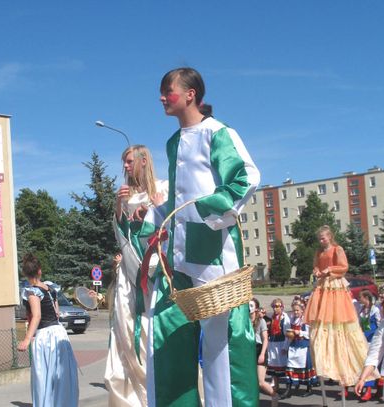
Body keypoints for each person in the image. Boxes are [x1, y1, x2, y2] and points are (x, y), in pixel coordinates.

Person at [146, 67, 260, 407]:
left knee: (222, 346)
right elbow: (177, 200)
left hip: (214, 254)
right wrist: (151, 215)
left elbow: (246, 177)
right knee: (166, 333)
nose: (162, 97)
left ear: (190, 94)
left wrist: (206, 211)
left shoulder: (218, 133)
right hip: (178, 257)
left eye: (168, 91)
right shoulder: (173, 143)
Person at [105, 145, 167, 407]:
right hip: (129, 278)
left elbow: (169, 227)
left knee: (154, 331)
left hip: (155, 273)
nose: (125, 167)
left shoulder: (162, 188)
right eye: (124, 162)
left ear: (144, 161)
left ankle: (160, 393)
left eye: (130, 161)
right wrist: (119, 205)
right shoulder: (125, 195)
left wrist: (150, 212)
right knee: (126, 333)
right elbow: (120, 234)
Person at [304, 225, 372, 388]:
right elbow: (316, 265)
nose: (321, 241)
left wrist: (329, 269)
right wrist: (317, 271)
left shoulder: (337, 249)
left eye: (323, 238)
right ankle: (325, 358)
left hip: (334, 284)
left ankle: (348, 363)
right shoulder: (318, 252)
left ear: (329, 237)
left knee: (338, 316)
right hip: (323, 285)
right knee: (322, 317)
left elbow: (343, 267)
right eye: (319, 239)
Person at [17, 254, 78, 407]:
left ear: (25, 273)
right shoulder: (50, 288)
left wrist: (26, 339)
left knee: (44, 375)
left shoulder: (32, 292)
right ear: (40, 271)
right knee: (61, 374)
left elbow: (37, 316)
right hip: (59, 333)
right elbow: (56, 313)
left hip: (46, 336)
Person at [282, 301, 317, 399]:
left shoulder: (306, 321)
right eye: (294, 310)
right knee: (289, 368)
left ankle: (309, 388)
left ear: (302, 310)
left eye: (297, 310)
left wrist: (300, 332)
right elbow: (288, 337)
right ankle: (288, 390)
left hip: (303, 348)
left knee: (306, 369)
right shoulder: (292, 320)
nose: (295, 312)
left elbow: (310, 334)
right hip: (293, 347)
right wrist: (285, 347)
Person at [249, 298, 277, 401]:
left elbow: (265, 339)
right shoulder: (244, 321)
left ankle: (274, 395)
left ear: (256, 308)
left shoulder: (261, 321)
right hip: (249, 351)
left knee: (260, 382)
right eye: (248, 305)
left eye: (251, 306)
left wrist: (262, 354)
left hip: (259, 349)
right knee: (251, 381)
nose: (249, 308)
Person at [356, 289, 381, 400]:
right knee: (364, 364)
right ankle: (366, 388)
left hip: (373, 341)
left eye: (360, 297)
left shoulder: (375, 310)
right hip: (364, 341)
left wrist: (377, 338)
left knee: (371, 364)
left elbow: (379, 325)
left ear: (366, 298)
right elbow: (360, 325)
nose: (359, 299)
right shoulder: (362, 310)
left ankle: (370, 390)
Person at [266, 298, 291, 395]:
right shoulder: (272, 317)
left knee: (284, 367)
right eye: (273, 306)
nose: (275, 308)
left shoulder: (285, 318)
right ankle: (276, 386)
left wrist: (285, 347)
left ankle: (288, 388)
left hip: (281, 344)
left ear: (282, 307)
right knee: (273, 367)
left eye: (277, 306)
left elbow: (288, 334)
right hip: (272, 344)